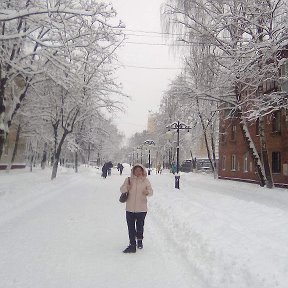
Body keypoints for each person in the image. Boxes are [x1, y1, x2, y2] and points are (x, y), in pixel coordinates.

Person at [120, 163, 153, 253]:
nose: (138, 172)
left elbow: (151, 192)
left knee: (140, 226)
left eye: (140, 170)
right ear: (133, 171)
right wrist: (127, 187)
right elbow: (122, 190)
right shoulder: (129, 180)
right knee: (131, 227)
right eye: (136, 170)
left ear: (142, 171)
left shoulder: (146, 181)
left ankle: (139, 240)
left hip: (142, 209)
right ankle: (132, 245)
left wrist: (147, 192)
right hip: (130, 208)